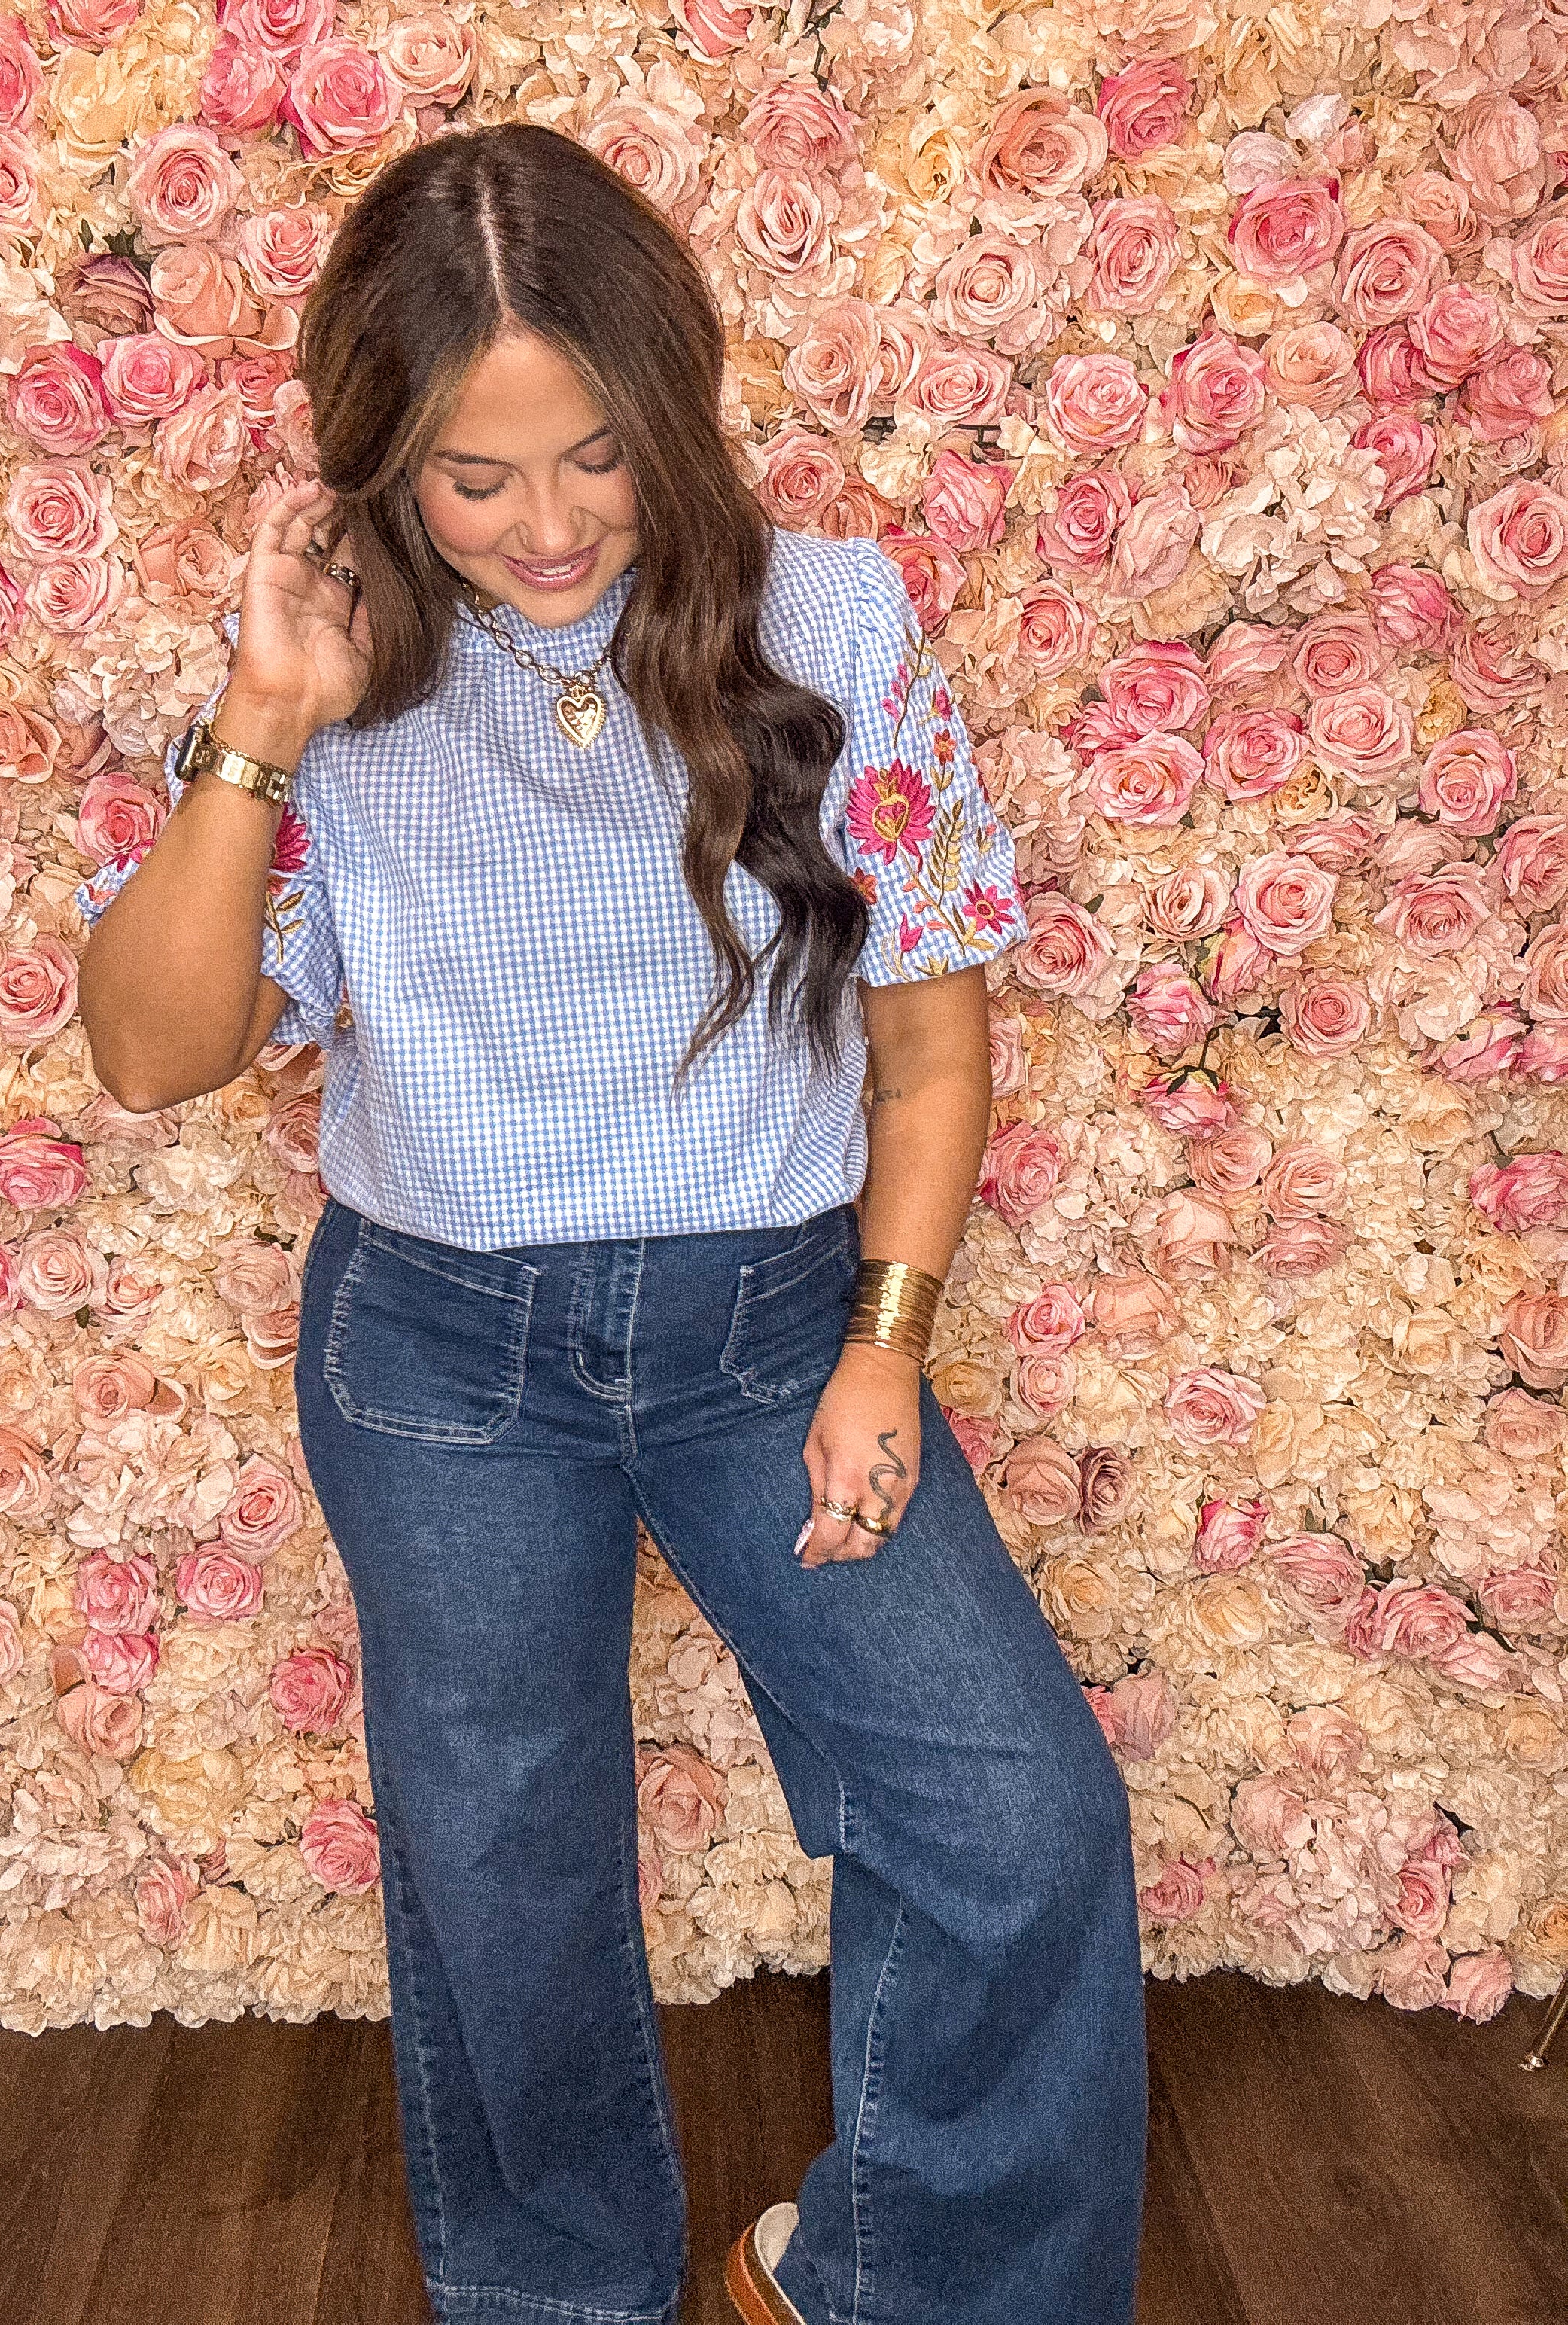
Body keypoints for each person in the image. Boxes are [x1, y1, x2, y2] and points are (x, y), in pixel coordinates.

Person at [78, 120, 1147, 2325]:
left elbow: (931, 1048)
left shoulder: (828, 614)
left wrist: (885, 1340)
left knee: (1018, 1827)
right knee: (503, 1878)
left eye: (596, 458)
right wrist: (265, 718)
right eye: (477, 478)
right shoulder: (337, 675)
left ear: (669, 411)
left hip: (776, 1328)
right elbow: (154, 1052)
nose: (549, 528)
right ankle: (555, 2295)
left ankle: (883, 2286)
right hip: (440, 1359)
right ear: (379, 461)